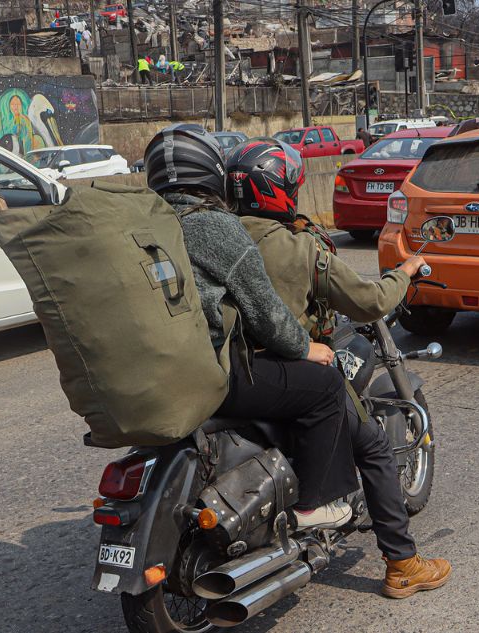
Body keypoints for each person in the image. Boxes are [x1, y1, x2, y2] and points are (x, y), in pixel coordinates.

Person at [225, 138, 453, 599]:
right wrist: (405, 271)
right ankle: (403, 564)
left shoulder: (217, 236)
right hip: (287, 372)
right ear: (280, 190)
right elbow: (368, 302)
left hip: (227, 372)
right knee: (371, 445)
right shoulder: (297, 247)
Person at [143, 124, 358, 529]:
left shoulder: (144, 228)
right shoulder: (215, 226)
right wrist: (305, 348)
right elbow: (264, 310)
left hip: (159, 374)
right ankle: (312, 505)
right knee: (325, 385)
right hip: (215, 375)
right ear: (210, 172)